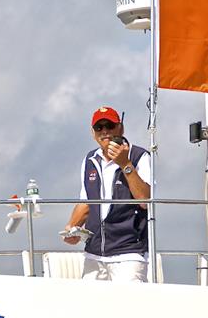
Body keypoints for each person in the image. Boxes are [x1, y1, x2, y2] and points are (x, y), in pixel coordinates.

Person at [63, 106, 151, 282]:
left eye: (110, 126)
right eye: (99, 127)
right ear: (93, 132)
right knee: (90, 309)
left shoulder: (139, 156)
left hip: (128, 254)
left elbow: (146, 201)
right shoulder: (90, 159)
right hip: (93, 254)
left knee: (127, 309)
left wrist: (124, 163)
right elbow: (87, 202)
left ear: (120, 128)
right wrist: (72, 228)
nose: (105, 132)